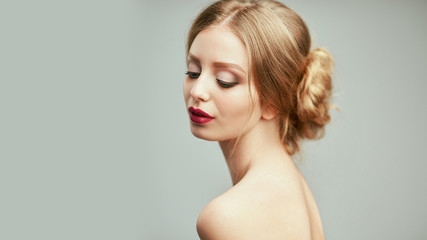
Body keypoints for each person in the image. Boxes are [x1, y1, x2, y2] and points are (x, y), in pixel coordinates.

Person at [183, 0, 334, 239]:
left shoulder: (226, 216)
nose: (197, 90)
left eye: (225, 80)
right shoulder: (292, 184)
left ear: (274, 100)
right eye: (193, 71)